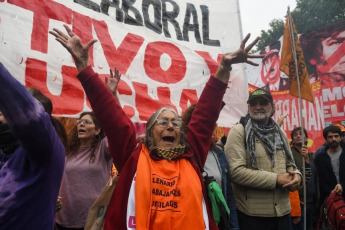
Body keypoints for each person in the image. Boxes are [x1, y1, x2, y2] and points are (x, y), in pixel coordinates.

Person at [50, 24, 262, 230]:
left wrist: (224, 67)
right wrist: (83, 67)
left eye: (175, 122)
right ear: (149, 132)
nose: (170, 126)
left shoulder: (192, 154)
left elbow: (206, 113)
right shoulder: (132, 155)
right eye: (162, 122)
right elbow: (110, 115)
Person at [224, 88, 302, 230]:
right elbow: (235, 172)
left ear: (272, 107)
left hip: (283, 213)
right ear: (248, 108)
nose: (258, 107)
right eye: (253, 103)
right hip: (253, 217)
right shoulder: (238, 132)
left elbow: (290, 165)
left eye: (263, 103)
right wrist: (276, 179)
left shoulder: (280, 133)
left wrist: (297, 176)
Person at [0, 63, 65, 229]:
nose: (4, 110)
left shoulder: (46, 150)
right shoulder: (7, 151)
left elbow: (30, 115)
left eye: (10, 107)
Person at [181, 103, 240, 230]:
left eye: (212, 122)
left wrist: (233, 227)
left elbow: (228, 196)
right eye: (205, 122)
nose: (210, 127)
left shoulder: (219, 154)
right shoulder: (181, 154)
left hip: (219, 223)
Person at [55, 111, 113, 229]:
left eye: (86, 122)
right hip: (65, 218)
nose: (81, 124)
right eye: (79, 122)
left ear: (97, 130)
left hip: (92, 220)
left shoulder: (103, 148)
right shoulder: (67, 150)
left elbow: (116, 132)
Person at [290, 127, 319, 230]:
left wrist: (307, 158)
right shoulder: (290, 155)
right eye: (295, 135)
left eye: (301, 134)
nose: (298, 136)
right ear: (292, 140)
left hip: (311, 201)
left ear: (306, 138)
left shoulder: (311, 156)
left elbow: (314, 177)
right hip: (299, 202)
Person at [314, 125, 345, 205]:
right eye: (330, 137)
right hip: (331, 199)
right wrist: (331, 191)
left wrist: (342, 186)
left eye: (336, 136)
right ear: (326, 139)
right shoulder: (320, 158)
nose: (333, 139)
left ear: (340, 137)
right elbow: (321, 180)